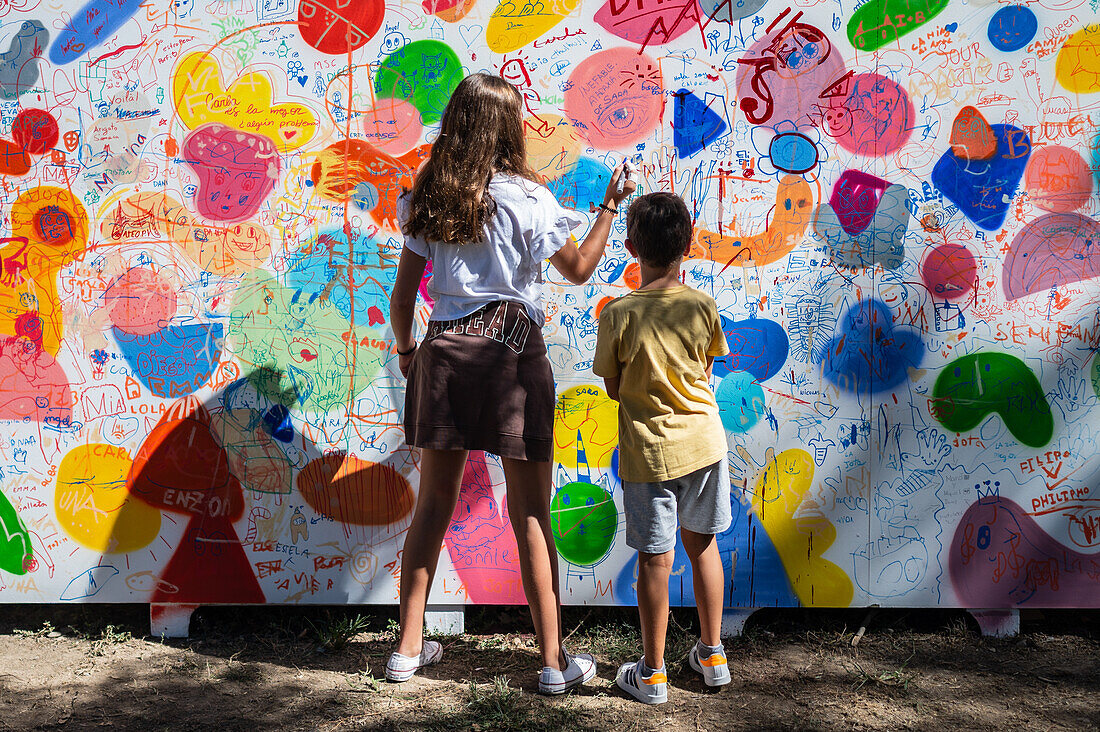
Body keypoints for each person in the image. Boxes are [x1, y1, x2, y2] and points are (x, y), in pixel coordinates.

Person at [387, 72, 636, 693]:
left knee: (433, 507)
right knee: (530, 512)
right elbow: (579, 270)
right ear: (507, 128)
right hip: (513, 358)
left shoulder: (432, 194)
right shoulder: (530, 200)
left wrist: (407, 350)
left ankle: (406, 652)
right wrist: (607, 208)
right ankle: (552, 664)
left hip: (443, 357)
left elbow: (401, 298)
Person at [592, 192, 733, 705]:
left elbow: (611, 385)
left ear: (630, 246)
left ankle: (653, 673)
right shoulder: (702, 305)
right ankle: (713, 654)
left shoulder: (619, 313)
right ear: (688, 245)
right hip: (705, 445)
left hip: (650, 455)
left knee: (656, 558)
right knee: (703, 548)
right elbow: (706, 367)